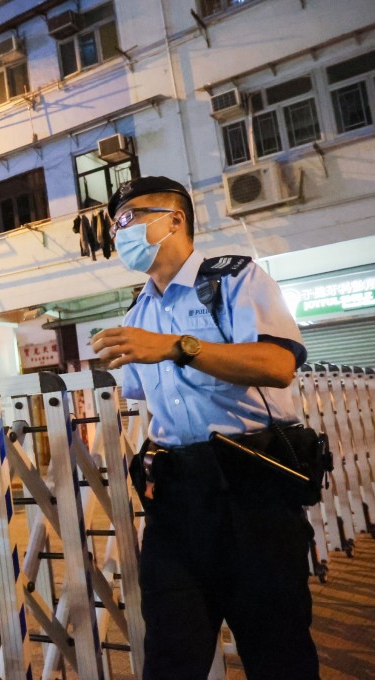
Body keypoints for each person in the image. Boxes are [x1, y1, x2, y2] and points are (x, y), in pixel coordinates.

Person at [91, 176, 319, 679]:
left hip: (253, 490)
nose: (118, 233)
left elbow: (278, 364)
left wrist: (177, 347)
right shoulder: (138, 311)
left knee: (277, 653)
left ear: (174, 219)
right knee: (171, 656)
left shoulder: (235, 279)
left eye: (127, 218)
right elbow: (149, 399)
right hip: (176, 502)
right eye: (113, 226)